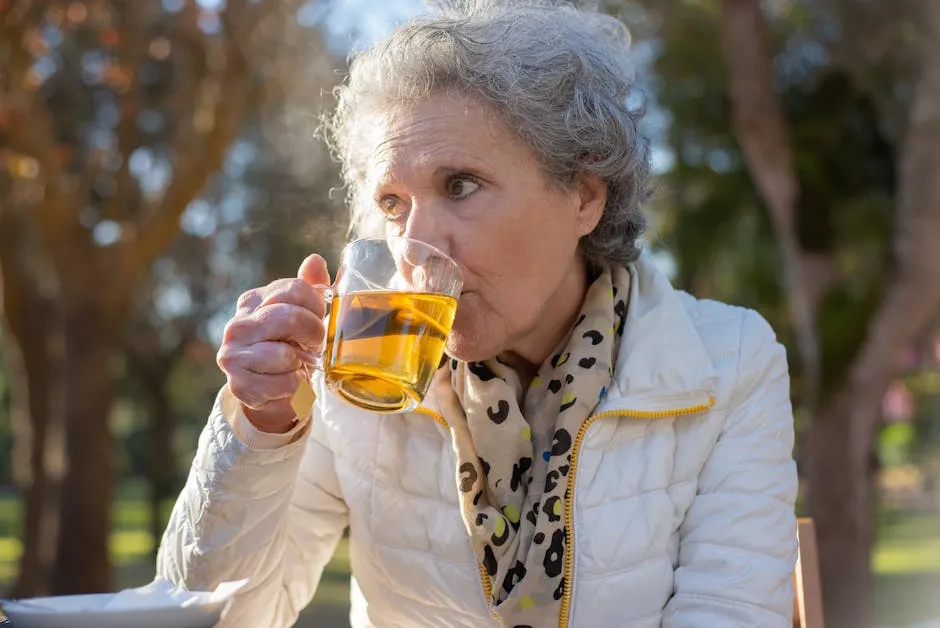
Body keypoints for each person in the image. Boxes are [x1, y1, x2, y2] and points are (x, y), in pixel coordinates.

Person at [157, 1, 799, 626]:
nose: (413, 243)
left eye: (459, 185)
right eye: (393, 201)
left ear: (584, 196)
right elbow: (215, 618)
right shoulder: (350, 374)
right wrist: (260, 428)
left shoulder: (731, 362)